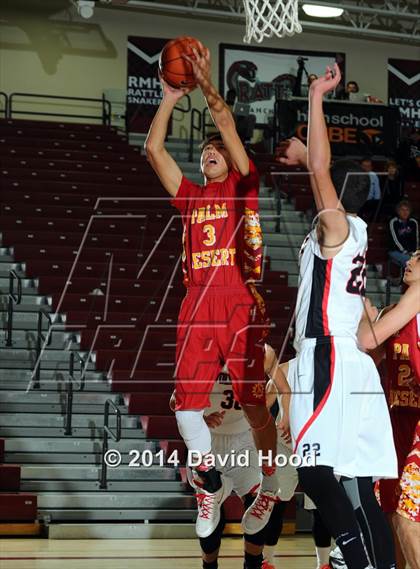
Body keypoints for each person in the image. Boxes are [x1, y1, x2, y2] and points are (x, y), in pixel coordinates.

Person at [144, 40, 278, 552]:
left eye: (215, 151)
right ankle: (208, 483)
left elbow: (223, 120)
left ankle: (265, 485)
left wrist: (202, 83)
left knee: (253, 404)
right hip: (198, 302)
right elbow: (154, 151)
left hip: (239, 299)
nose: (209, 153)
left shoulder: (243, 187)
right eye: (204, 152)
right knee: (184, 408)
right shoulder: (190, 197)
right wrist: (169, 96)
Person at [276, 63, 397, 569]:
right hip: (343, 358)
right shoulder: (349, 240)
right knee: (356, 484)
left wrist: (316, 97)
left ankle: (355, 560)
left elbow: (323, 170)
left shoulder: (339, 231)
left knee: (318, 476)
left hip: (327, 358)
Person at [170, 344, 290, 569]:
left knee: (258, 503)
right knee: (209, 512)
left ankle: (253, 563)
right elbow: (175, 401)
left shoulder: (262, 352)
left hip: (245, 438)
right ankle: (210, 565)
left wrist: (284, 415)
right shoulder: (201, 353)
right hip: (209, 440)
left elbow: (285, 389)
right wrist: (199, 422)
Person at [358, 252, 420, 569]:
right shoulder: (392, 314)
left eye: (418, 258)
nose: (409, 260)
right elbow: (365, 358)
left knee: (408, 516)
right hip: (395, 422)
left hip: (418, 422)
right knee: (392, 512)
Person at [263, 356, 298, 569]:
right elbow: (261, 410)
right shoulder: (284, 369)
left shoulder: (334, 368)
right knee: (276, 505)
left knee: (325, 507)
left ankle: (325, 561)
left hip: (318, 448)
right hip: (284, 447)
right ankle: (267, 559)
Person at [388, 200, 419, 268]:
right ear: (398, 211)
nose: (405, 212)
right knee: (412, 262)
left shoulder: (413, 222)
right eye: (402, 210)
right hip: (395, 251)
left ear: (410, 211)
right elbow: (395, 240)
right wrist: (405, 251)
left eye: (407, 210)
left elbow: (416, 239)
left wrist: (414, 252)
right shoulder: (393, 222)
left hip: (411, 252)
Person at [359, 157, 381, 223]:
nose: (366, 168)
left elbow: (377, 192)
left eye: (368, 166)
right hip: (358, 201)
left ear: (371, 167)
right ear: (360, 166)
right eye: (364, 166)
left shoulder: (374, 175)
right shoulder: (356, 174)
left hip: (370, 201)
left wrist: (377, 201)